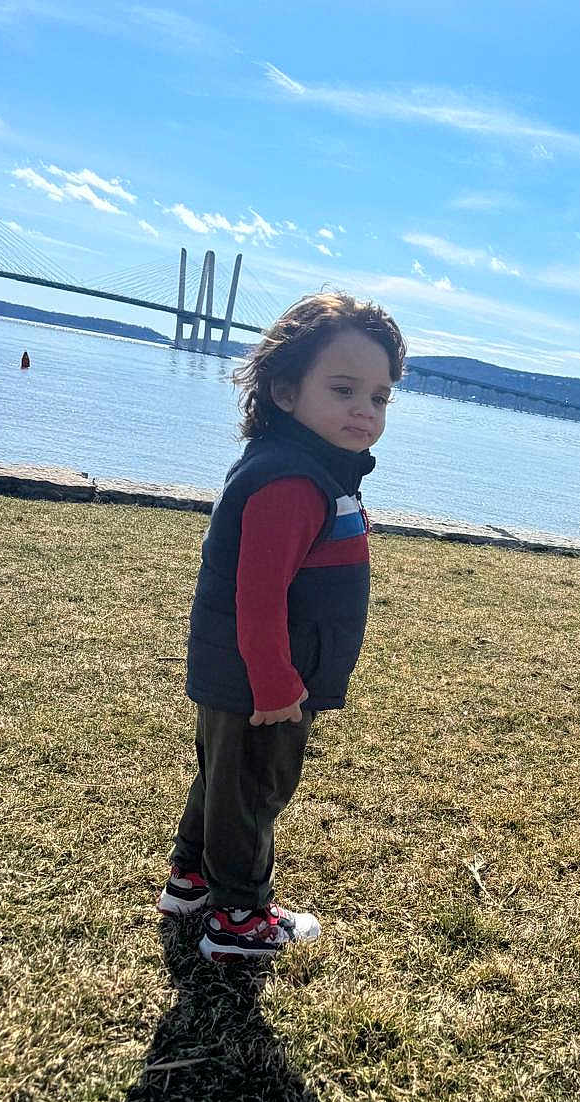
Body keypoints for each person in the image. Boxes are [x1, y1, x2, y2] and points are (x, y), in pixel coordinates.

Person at [157, 293, 406, 962]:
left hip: (254, 675)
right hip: (266, 683)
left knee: (223, 783)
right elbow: (258, 596)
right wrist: (274, 685)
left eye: (380, 397)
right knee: (254, 795)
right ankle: (238, 920)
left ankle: (190, 881)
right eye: (345, 389)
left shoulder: (308, 469)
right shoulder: (291, 481)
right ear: (286, 391)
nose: (366, 410)